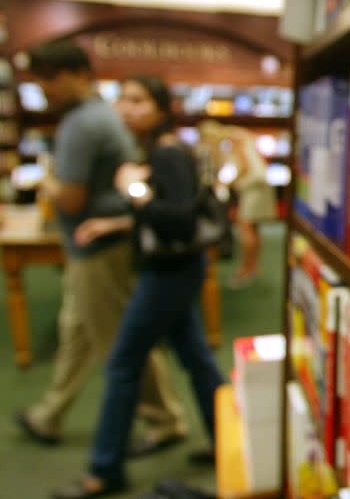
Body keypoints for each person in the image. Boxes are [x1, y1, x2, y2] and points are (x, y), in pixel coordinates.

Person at [52, 75, 225, 499]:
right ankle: (229, 439)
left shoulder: (167, 154)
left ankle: (104, 469)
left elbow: (178, 220)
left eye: (136, 100)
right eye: (121, 99)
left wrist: (132, 189)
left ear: (161, 106)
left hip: (170, 272)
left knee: (123, 363)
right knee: (196, 359)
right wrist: (116, 219)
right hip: (172, 268)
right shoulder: (155, 151)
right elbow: (164, 215)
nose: (125, 108)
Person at [16, 42, 187, 454]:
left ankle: (165, 420)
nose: (45, 90)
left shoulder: (84, 124)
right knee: (76, 333)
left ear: (76, 74)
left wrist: (46, 179)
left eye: (51, 79)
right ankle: (50, 413)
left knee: (122, 342)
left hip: (100, 247)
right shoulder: (93, 118)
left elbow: (73, 198)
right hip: (93, 246)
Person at [198, 120, 276, 287]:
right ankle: (253, 266)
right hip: (258, 187)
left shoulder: (234, 138)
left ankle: (246, 269)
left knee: (246, 227)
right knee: (253, 229)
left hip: (253, 189)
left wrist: (227, 182)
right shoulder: (239, 135)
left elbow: (244, 166)